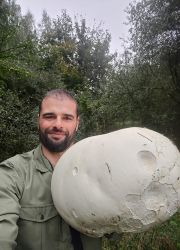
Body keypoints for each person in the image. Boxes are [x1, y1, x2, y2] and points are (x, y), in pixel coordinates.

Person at [0, 89, 102, 250]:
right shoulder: (12, 173)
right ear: (38, 120)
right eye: (49, 116)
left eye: (67, 118)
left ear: (77, 123)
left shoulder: (98, 168)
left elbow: (114, 225)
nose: (58, 125)